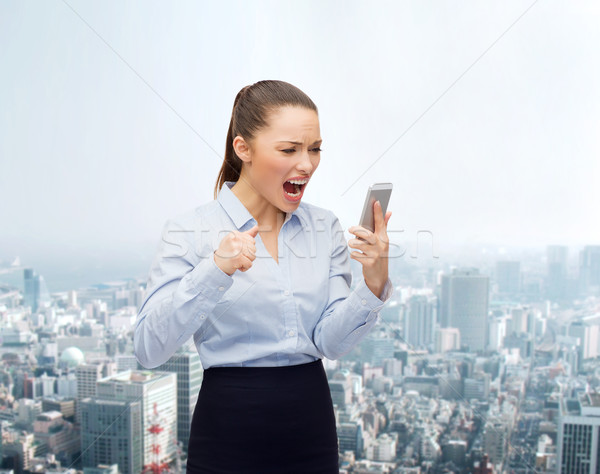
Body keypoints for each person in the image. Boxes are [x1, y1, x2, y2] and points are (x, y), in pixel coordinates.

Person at [134, 80, 394, 473]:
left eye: (315, 149)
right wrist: (215, 270)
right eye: (289, 150)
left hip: (311, 424)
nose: (306, 164)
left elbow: (330, 342)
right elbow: (148, 349)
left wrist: (373, 283)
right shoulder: (189, 231)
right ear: (244, 149)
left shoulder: (325, 227)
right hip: (227, 429)